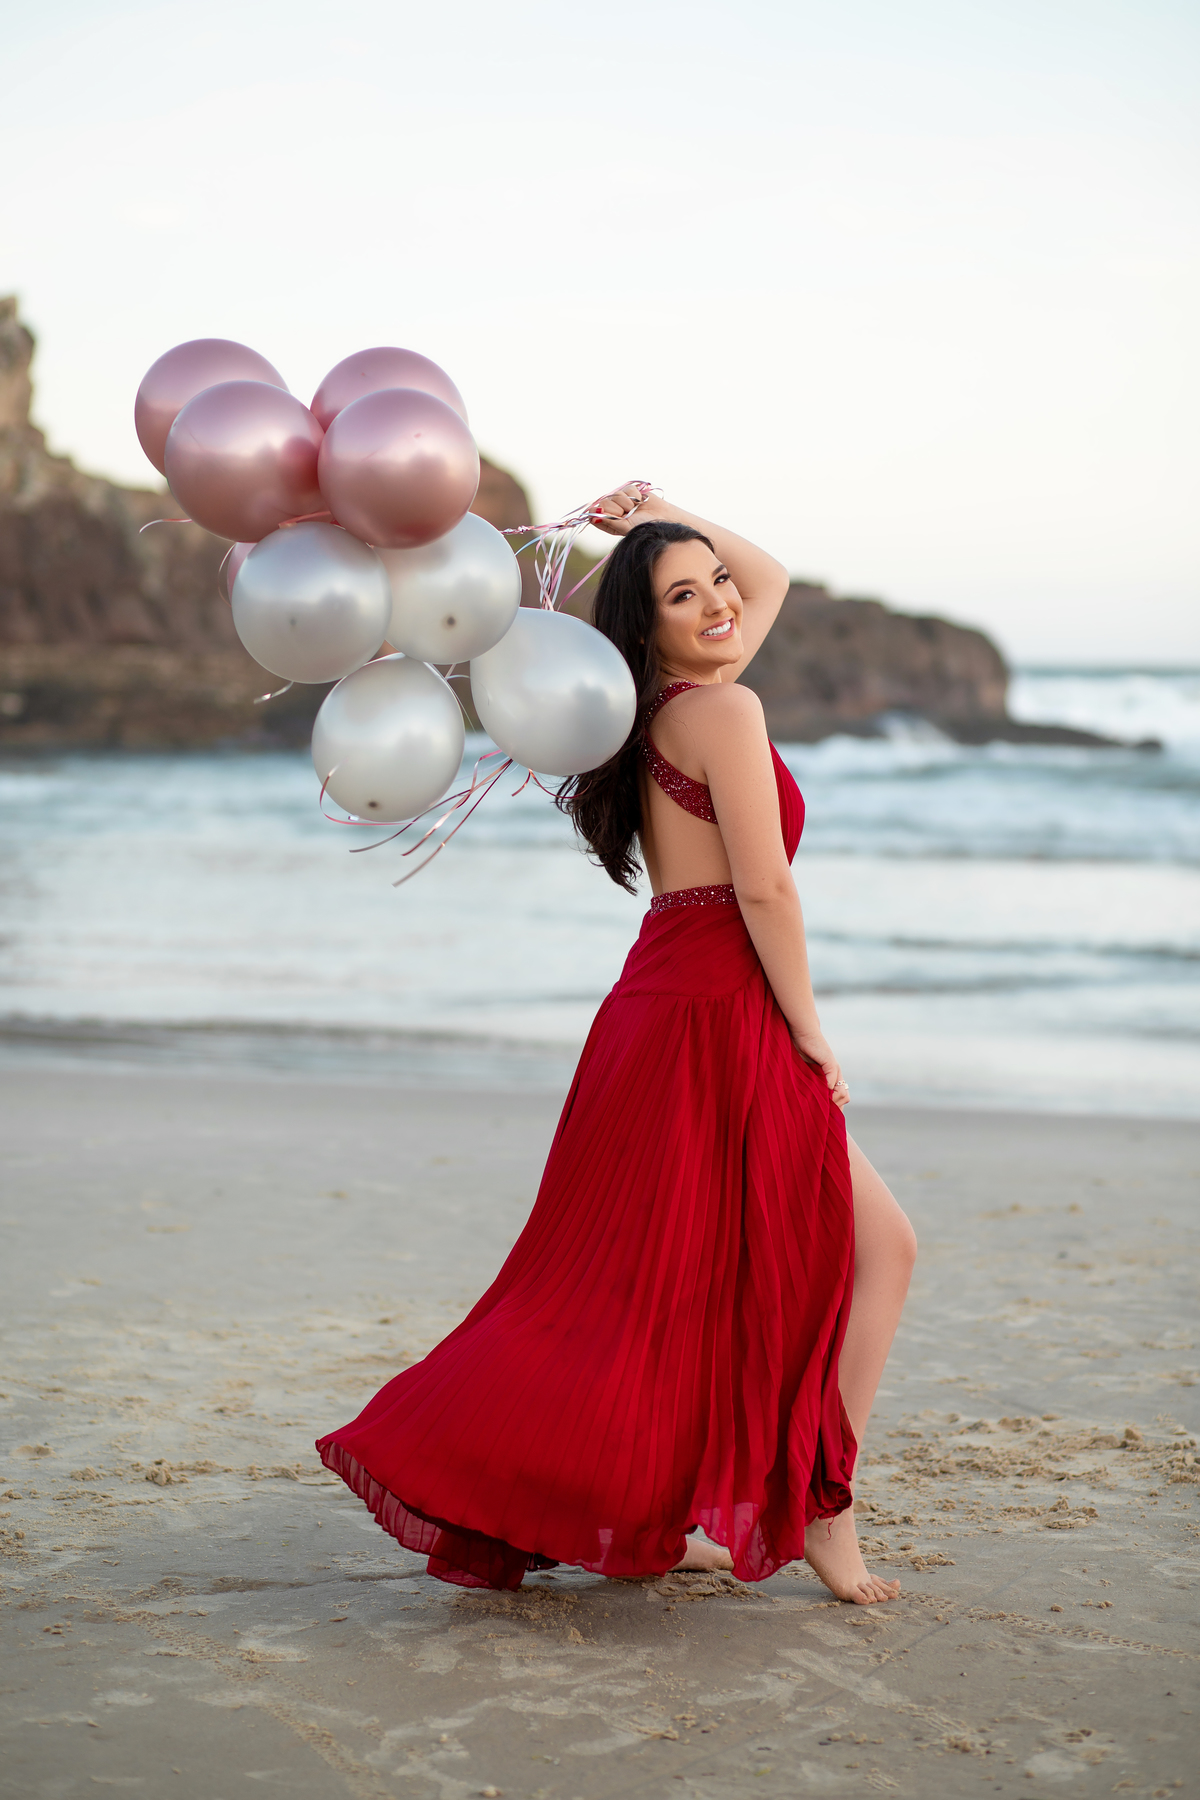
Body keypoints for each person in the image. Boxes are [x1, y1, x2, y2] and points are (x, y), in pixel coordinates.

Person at [317, 486, 917, 1605]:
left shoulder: (651, 710)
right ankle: (824, 1514)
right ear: (651, 629)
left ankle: (671, 1509)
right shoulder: (723, 714)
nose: (724, 604)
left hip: (657, 1004)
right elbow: (764, 886)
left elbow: (768, 576)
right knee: (873, 1251)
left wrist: (650, 521)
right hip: (718, 1010)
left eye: (715, 585)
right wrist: (809, 1029)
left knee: (649, 1281)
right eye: (685, 597)